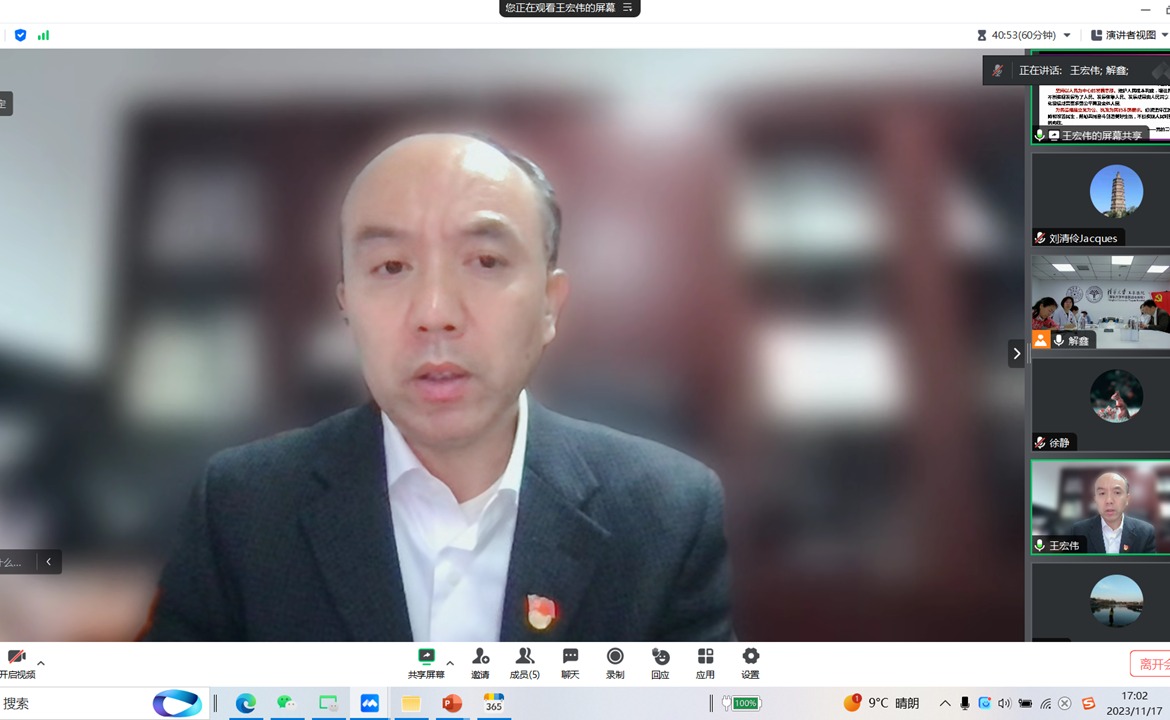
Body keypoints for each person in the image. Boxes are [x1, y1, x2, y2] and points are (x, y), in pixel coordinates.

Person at [138, 133, 734, 642]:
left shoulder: (667, 516)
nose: (434, 313)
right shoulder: (241, 508)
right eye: (391, 267)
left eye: (485, 261)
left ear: (550, 306)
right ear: (347, 307)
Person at [1071, 472, 1156, 554]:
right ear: (1095, 499)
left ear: (1127, 499)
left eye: (1117, 493)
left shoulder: (1145, 533)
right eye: (1102, 493)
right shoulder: (1078, 531)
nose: (1109, 500)